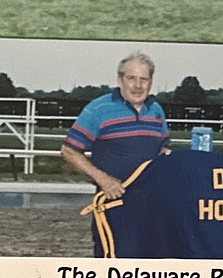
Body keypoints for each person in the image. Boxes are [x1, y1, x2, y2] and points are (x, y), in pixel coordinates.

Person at [61, 50, 171, 206]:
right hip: (113, 202)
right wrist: (103, 180)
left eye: (144, 79)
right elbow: (69, 151)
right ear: (120, 80)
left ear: (151, 82)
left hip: (151, 203)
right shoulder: (98, 109)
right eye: (131, 78)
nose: (138, 86)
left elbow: (165, 148)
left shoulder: (156, 110)